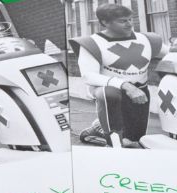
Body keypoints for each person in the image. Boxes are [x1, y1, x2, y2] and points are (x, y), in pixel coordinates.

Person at [70, 3, 168, 148]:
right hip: (110, 92)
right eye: (122, 21)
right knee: (108, 95)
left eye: (130, 19)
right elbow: (88, 76)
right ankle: (112, 142)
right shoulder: (93, 43)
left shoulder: (146, 39)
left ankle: (98, 128)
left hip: (139, 90)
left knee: (134, 141)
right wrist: (124, 85)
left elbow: (171, 53)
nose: (129, 24)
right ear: (105, 22)